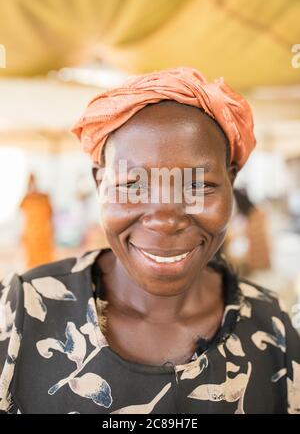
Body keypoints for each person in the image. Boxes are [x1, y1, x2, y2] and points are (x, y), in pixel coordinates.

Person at [0, 67, 299, 414]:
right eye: (132, 185)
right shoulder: (21, 313)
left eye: (198, 185)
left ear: (231, 182)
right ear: (100, 184)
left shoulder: (271, 326)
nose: (165, 220)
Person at [19, 173, 54, 269]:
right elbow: (22, 217)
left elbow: (50, 215)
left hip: (43, 233)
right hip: (31, 234)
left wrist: (52, 230)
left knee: (45, 262)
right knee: (31, 262)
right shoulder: (26, 199)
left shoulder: (44, 197)